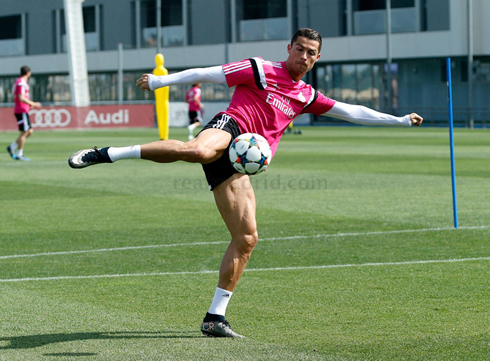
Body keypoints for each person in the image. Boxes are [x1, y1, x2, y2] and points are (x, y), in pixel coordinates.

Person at [68, 28, 423, 338]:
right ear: (289, 49)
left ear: (317, 59)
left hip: (243, 161)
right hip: (230, 127)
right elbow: (207, 74)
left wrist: (399, 121)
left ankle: (214, 317)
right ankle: (107, 153)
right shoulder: (259, 69)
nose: (303, 56)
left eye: (310, 53)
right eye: (298, 48)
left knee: (247, 238)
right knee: (198, 151)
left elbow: (351, 110)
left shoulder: (306, 96)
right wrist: (161, 81)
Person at [6, 66, 42, 161]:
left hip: (23, 109)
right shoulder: (21, 82)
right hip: (21, 110)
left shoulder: (21, 82)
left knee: (29, 131)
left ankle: (12, 147)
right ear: (28, 73)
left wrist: (29, 105)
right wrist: (33, 103)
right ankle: (19, 154)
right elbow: (21, 98)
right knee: (25, 132)